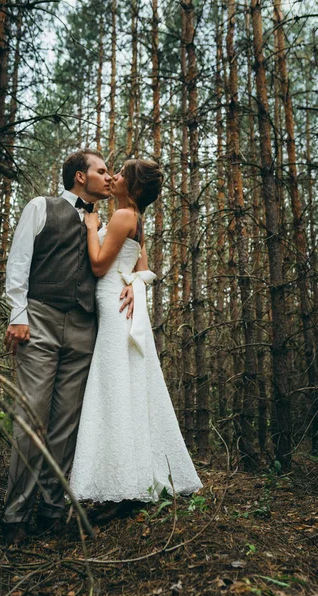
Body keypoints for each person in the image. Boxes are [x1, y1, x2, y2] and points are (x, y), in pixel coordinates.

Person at [2, 149, 133, 545]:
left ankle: (51, 511)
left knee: (65, 426)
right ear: (80, 176)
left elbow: (119, 267)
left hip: (83, 327)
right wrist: (17, 314)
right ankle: (13, 517)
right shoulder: (42, 207)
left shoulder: (107, 223)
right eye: (102, 171)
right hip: (39, 320)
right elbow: (18, 260)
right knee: (32, 420)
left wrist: (132, 283)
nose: (109, 177)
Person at [70, 159, 202, 519]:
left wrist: (90, 226)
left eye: (121, 175)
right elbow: (143, 268)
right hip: (118, 306)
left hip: (114, 310)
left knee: (114, 389)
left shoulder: (122, 217)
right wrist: (138, 283)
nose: (113, 177)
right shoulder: (133, 218)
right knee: (124, 387)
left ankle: (124, 487)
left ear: (134, 187)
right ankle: (128, 478)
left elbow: (98, 265)